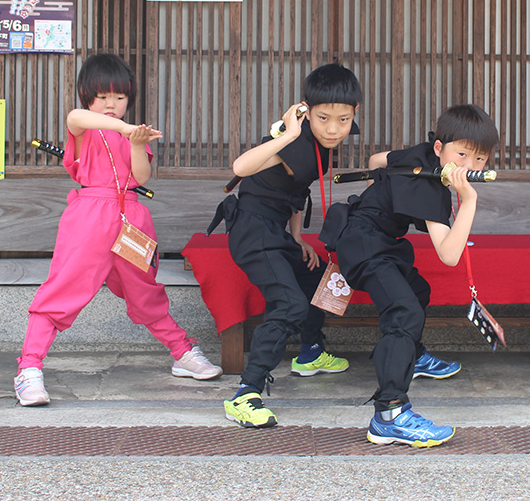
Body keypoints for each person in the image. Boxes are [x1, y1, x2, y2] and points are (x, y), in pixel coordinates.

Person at [14, 54, 220, 407]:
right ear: (86, 94)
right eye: (103, 96)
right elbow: (74, 117)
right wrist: (124, 129)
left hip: (132, 217)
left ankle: (182, 352)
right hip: (90, 216)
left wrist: (137, 143)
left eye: (120, 97)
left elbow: (140, 178)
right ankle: (29, 369)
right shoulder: (86, 125)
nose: (111, 104)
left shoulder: (132, 136)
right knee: (62, 290)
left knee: (146, 291)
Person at [319, 104, 499, 448]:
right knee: (405, 312)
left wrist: (385, 184)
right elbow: (448, 255)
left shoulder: (420, 154)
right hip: (363, 243)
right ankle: (390, 413)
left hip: (381, 241)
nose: (469, 166)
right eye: (461, 154)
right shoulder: (428, 185)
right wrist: (470, 201)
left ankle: (412, 356)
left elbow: (377, 160)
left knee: (417, 290)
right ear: (439, 147)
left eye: (479, 159)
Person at [208, 64, 363, 428]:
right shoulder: (294, 139)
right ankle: (245, 393)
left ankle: (309, 352)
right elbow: (242, 166)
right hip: (252, 229)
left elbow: (297, 192)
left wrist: (297, 239)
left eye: (343, 120)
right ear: (306, 112)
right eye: (323, 118)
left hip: (277, 230)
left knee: (315, 278)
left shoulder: (322, 145)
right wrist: (289, 132)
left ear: (355, 114)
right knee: (289, 303)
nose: (332, 128)